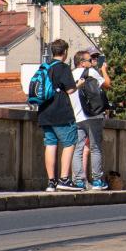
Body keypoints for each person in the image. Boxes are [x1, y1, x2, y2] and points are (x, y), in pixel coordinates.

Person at [37, 39, 82, 192]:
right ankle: (64, 179)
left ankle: (51, 182)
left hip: (44, 112)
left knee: (50, 144)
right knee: (69, 143)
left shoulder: (44, 67)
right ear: (65, 52)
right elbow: (70, 90)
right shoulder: (63, 67)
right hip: (60, 112)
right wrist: (78, 85)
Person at [68, 48, 110, 190]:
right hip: (93, 115)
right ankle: (97, 180)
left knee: (77, 149)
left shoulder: (70, 75)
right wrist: (104, 70)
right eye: (89, 60)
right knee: (95, 147)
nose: (91, 62)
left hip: (77, 117)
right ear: (82, 63)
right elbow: (107, 84)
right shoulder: (91, 72)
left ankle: (78, 181)